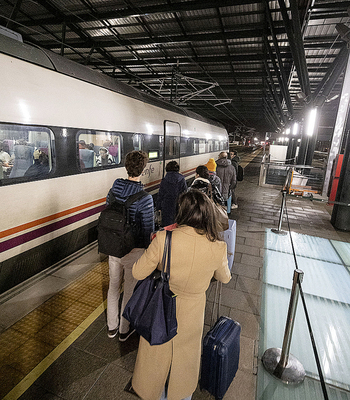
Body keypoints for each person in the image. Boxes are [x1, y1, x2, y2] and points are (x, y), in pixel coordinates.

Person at [131, 189, 231, 400]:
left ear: (182, 212)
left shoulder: (164, 239)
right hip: (192, 314)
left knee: (156, 357)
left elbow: (137, 272)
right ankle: (181, 395)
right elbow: (225, 278)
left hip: (162, 308)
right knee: (185, 362)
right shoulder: (218, 246)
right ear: (207, 214)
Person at [106, 150, 154, 341]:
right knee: (129, 289)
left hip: (113, 246)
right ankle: (125, 330)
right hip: (133, 251)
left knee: (113, 286)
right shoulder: (145, 198)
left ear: (126, 167)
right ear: (143, 169)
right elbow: (148, 232)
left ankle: (112, 327)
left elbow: (108, 211)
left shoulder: (114, 189)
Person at [157, 160, 187, 227]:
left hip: (166, 206)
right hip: (178, 205)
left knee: (167, 225)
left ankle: (168, 236)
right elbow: (185, 193)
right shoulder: (182, 179)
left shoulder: (164, 180)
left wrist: (158, 207)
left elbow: (160, 194)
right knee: (177, 224)